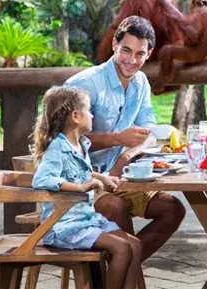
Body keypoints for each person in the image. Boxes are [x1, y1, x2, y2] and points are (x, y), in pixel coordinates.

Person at [64, 15, 186, 262]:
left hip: (119, 178)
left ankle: (116, 274)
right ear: (114, 46)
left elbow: (148, 129)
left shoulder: (140, 82)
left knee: (172, 209)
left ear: (149, 54)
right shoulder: (85, 85)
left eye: (140, 54)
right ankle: (122, 275)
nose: (132, 60)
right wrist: (117, 139)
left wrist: (127, 155)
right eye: (126, 50)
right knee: (115, 208)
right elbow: (63, 141)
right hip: (81, 182)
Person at [31, 86, 142, 289]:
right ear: (75, 116)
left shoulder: (80, 145)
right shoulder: (57, 148)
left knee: (135, 244)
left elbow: (79, 170)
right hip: (64, 227)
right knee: (122, 249)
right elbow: (42, 179)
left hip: (86, 220)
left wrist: (102, 177)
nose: (92, 115)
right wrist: (81, 187)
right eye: (89, 110)